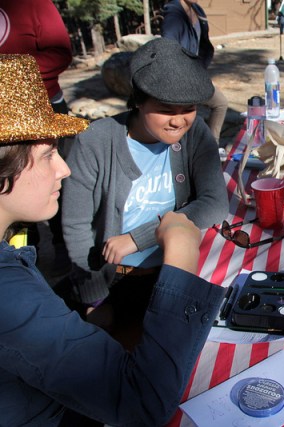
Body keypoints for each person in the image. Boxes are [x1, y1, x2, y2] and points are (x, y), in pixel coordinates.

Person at [0, 53, 225, 426]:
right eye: (47, 156)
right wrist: (182, 253)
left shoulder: (14, 266)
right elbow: (143, 401)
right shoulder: (9, 293)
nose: (64, 168)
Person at [60, 38, 229, 332]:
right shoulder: (96, 141)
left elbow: (215, 203)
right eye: (166, 109)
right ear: (138, 100)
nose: (179, 121)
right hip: (111, 283)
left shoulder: (195, 133)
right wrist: (94, 301)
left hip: (171, 273)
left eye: (188, 108)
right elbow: (76, 227)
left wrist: (138, 238)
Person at [0, 0, 75, 271]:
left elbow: (60, 52)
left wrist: (13, 76)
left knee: (47, 179)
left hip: (37, 107)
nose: (64, 169)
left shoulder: (33, 4)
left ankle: (61, 248)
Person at [161, 0, 229, 142]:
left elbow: (201, 44)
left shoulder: (197, 11)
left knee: (220, 103)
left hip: (195, 75)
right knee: (186, 121)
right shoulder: (173, 17)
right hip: (180, 80)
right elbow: (167, 51)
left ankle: (211, 146)